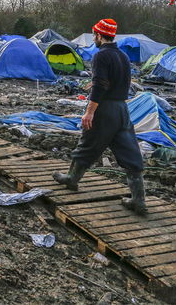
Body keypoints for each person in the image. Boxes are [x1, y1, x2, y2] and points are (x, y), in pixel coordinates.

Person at [51, 19, 147, 215]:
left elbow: (100, 84)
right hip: (122, 109)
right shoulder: (122, 56)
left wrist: (89, 111)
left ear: (99, 35)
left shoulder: (101, 56)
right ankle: (139, 201)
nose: (94, 38)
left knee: (87, 144)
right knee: (130, 154)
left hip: (104, 109)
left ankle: (72, 178)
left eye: (94, 34)